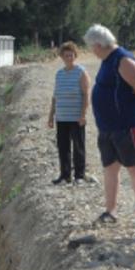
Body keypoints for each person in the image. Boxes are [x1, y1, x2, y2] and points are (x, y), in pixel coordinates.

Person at [85, 23, 135, 227]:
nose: (91, 51)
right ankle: (110, 211)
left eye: (91, 46)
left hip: (127, 125)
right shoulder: (107, 60)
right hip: (107, 127)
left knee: (134, 168)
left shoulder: (123, 60)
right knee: (110, 168)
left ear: (99, 44)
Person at [47, 41, 91, 185]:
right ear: (62, 57)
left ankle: (79, 175)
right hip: (62, 117)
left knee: (78, 147)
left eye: (71, 55)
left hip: (76, 117)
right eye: (66, 55)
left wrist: (83, 115)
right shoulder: (59, 74)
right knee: (63, 147)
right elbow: (55, 96)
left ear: (75, 56)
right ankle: (65, 175)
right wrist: (51, 116)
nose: (69, 58)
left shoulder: (81, 72)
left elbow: (86, 94)